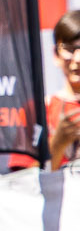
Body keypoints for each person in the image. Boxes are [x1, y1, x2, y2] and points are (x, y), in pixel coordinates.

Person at [50, 9, 80, 168]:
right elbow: (23, 178)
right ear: (56, 54)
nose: (78, 58)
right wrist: (57, 145)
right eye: (70, 49)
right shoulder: (40, 110)